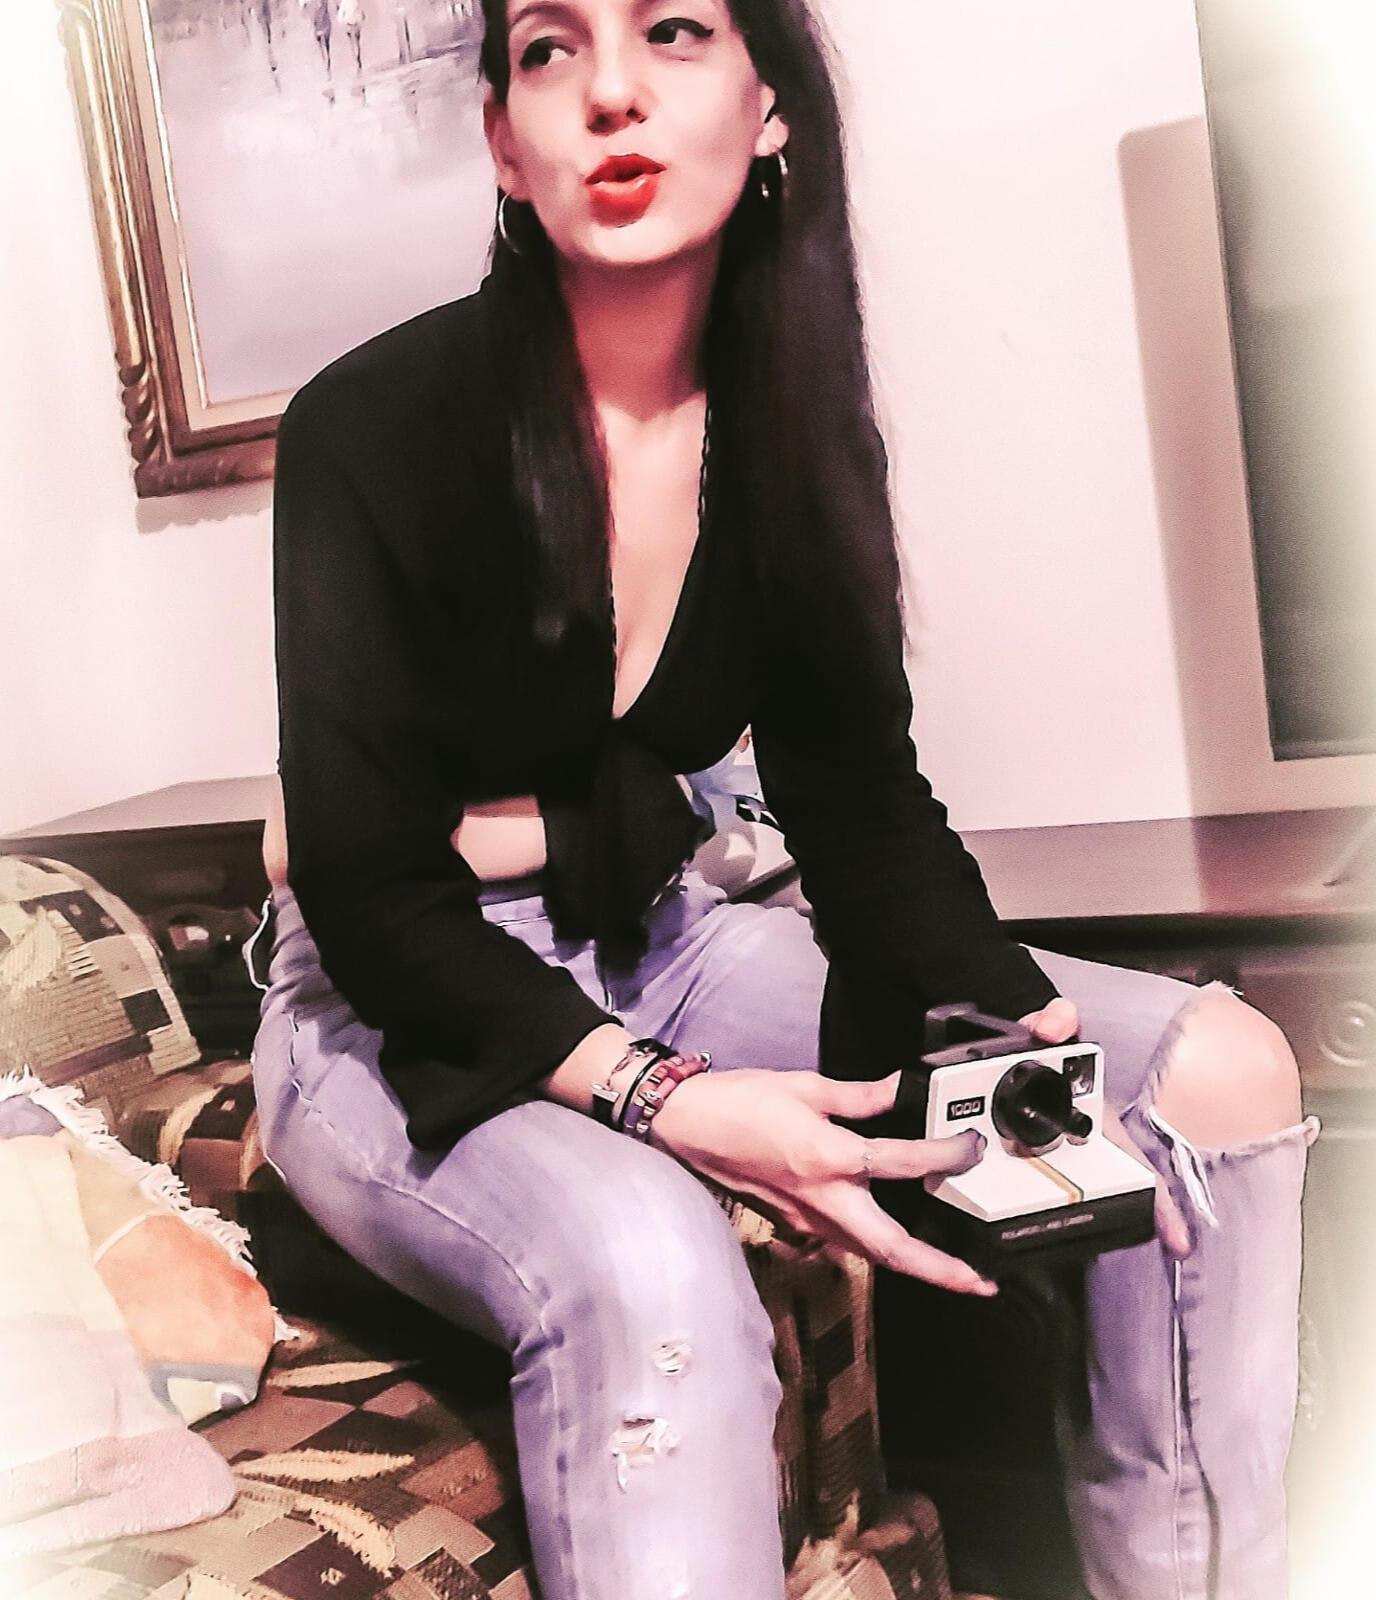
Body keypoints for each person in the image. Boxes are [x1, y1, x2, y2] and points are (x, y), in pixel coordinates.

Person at [250, 2, 1318, 1596]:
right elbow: (369, 893)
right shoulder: (374, 425)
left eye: (674, 30)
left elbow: (858, 794)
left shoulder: (792, 426)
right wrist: (666, 1098)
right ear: (502, 143)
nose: (611, 91)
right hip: (389, 1003)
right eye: (549, 48)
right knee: (648, 1254)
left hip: (666, 938)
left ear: (771, 110)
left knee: (1209, 1073)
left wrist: (1013, 1018)